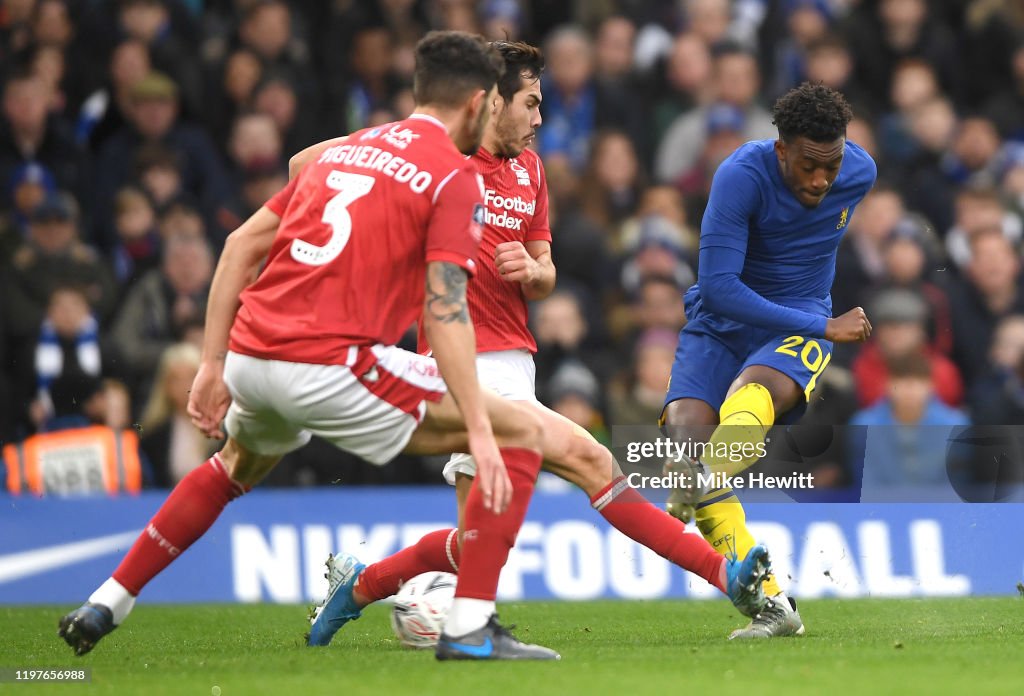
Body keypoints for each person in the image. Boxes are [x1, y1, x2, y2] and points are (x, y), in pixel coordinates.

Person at [58, 30, 559, 662]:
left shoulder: (347, 152)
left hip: (252, 353)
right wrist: (479, 425)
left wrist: (213, 365)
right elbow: (446, 307)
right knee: (519, 433)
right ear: (478, 104)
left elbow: (241, 245)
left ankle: (108, 599)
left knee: (232, 467)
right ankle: (468, 629)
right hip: (328, 362)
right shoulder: (453, 177)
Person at [292, 40, 771, 648]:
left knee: (474, 542)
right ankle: (728, 578)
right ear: (491, 102)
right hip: (461, 363)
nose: (541, 118)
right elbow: (300, 167)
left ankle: (359, 587)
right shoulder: (436, 155)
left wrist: (533, 270)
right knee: (592, 463)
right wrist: (390, 141)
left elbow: (546, 273)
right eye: (531, 103)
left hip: (517, 362)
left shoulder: (530, 170)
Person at [660, 82, 877, 638]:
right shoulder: (740, 176)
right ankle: (774, 606)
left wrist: (815, 322)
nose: (821, 180)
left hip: (799, 318)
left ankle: (700, 480)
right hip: (722, 320)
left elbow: (831, 189)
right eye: (808, 166)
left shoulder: (860, 173)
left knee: (750, 400)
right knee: (682, 436)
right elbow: (720, 287)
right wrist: (825, 327)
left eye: (831, 166)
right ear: (781, 149)